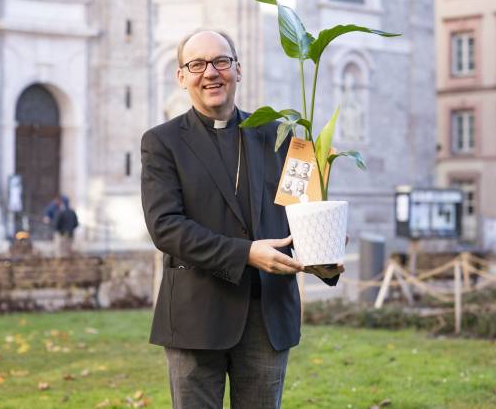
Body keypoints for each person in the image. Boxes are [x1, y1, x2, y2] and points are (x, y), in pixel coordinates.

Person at [141, 29, 344, 408]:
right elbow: (166, 227)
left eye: (221, 61)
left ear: (238, 69)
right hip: (196, 317)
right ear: (181, 76)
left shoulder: (281, 136)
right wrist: (245, 253)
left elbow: (302, 217)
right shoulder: (161, 142)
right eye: (197, 64)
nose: (211, 73)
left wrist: (323, 256)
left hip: (267, 317)